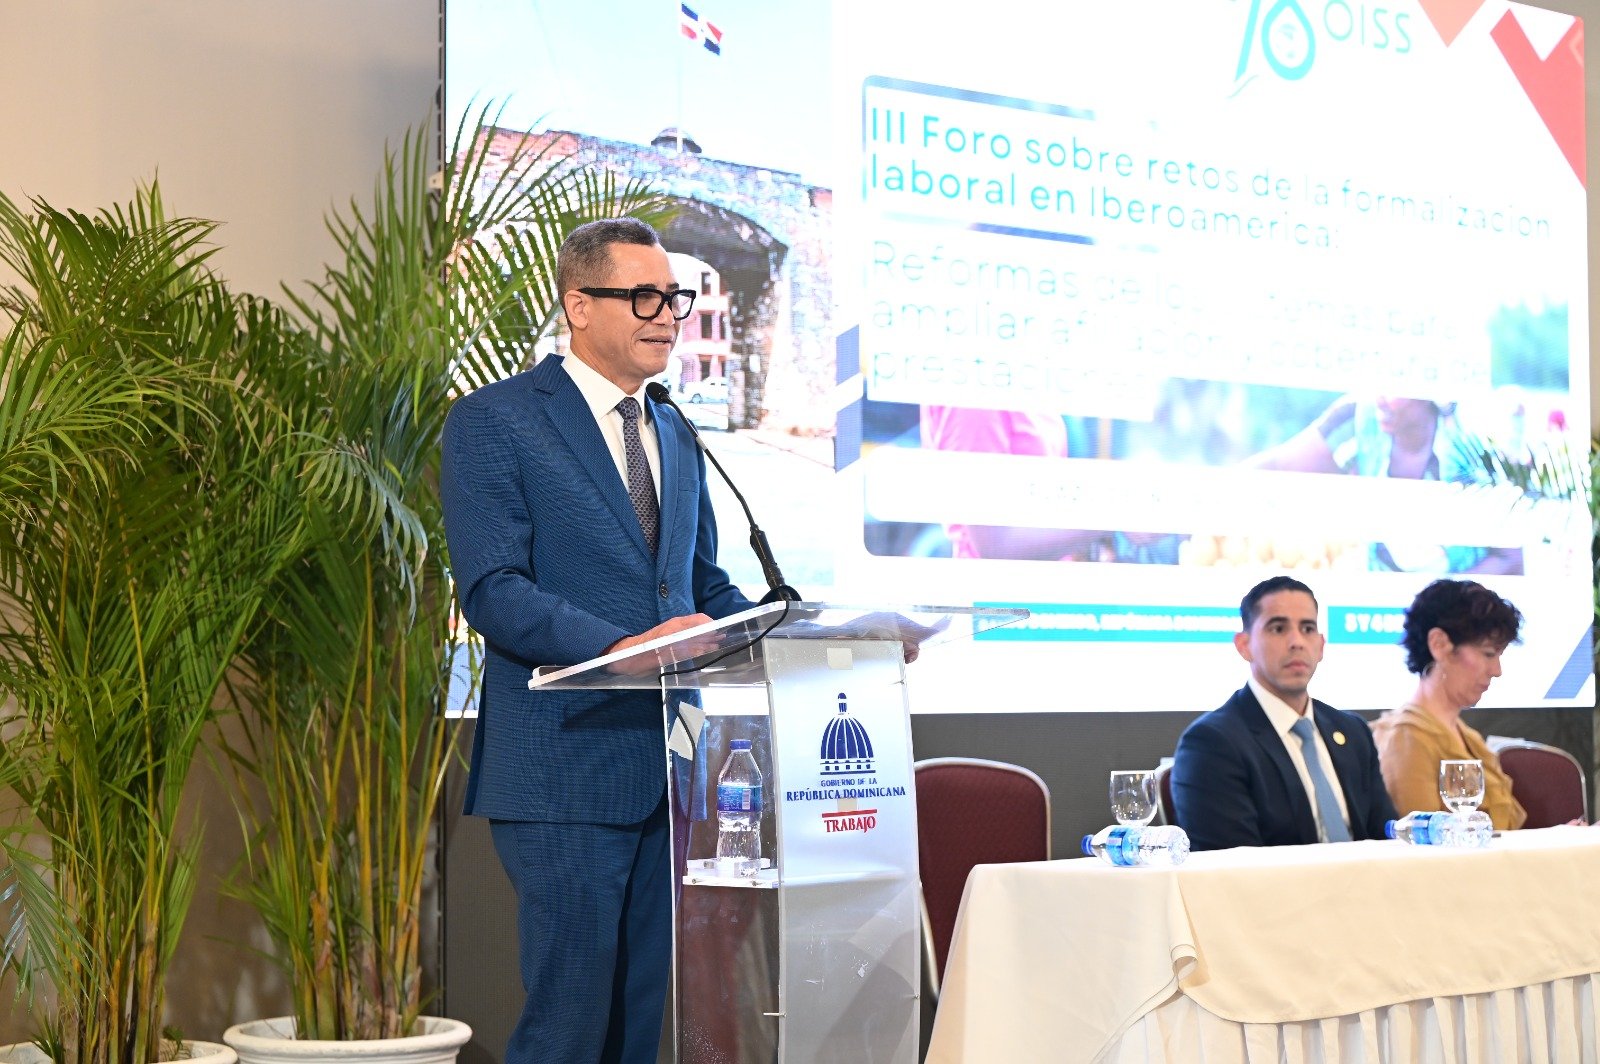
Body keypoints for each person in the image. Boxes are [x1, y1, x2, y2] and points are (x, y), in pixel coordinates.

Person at [441, 218, 755, 1064]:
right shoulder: (496, 420)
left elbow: (700, 588)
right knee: (569, 1030)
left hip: (672, 771)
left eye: (675, 298)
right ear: (579, 305)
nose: (668, 315)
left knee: (637, 1030)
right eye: (644, 296)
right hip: (564, 770)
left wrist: (799, 633)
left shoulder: (675, 430)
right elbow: (495, 589)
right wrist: (629, 647)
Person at [1172, 576, 1396, 850]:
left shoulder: (1352, 731)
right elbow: (1233, 866)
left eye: (1307, 628)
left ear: (1321, 646)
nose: (1297, 642)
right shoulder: (1211, 743)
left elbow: (1388, 840)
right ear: (1244, 646)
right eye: (1278, 628)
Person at [1246, 395, 1522, 574]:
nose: (1379, 399)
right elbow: (1279, 466)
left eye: (1394, 388)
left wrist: (1444, 605)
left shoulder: (1471, 442)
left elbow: (1510, 559)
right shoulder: (1357, 419)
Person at [1369, 579, 1528, 830]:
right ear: (1439, 644)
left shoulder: (1469, 737)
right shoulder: (1407, 738)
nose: (1496, 670)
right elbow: (1421, 845)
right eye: (1488, 654)